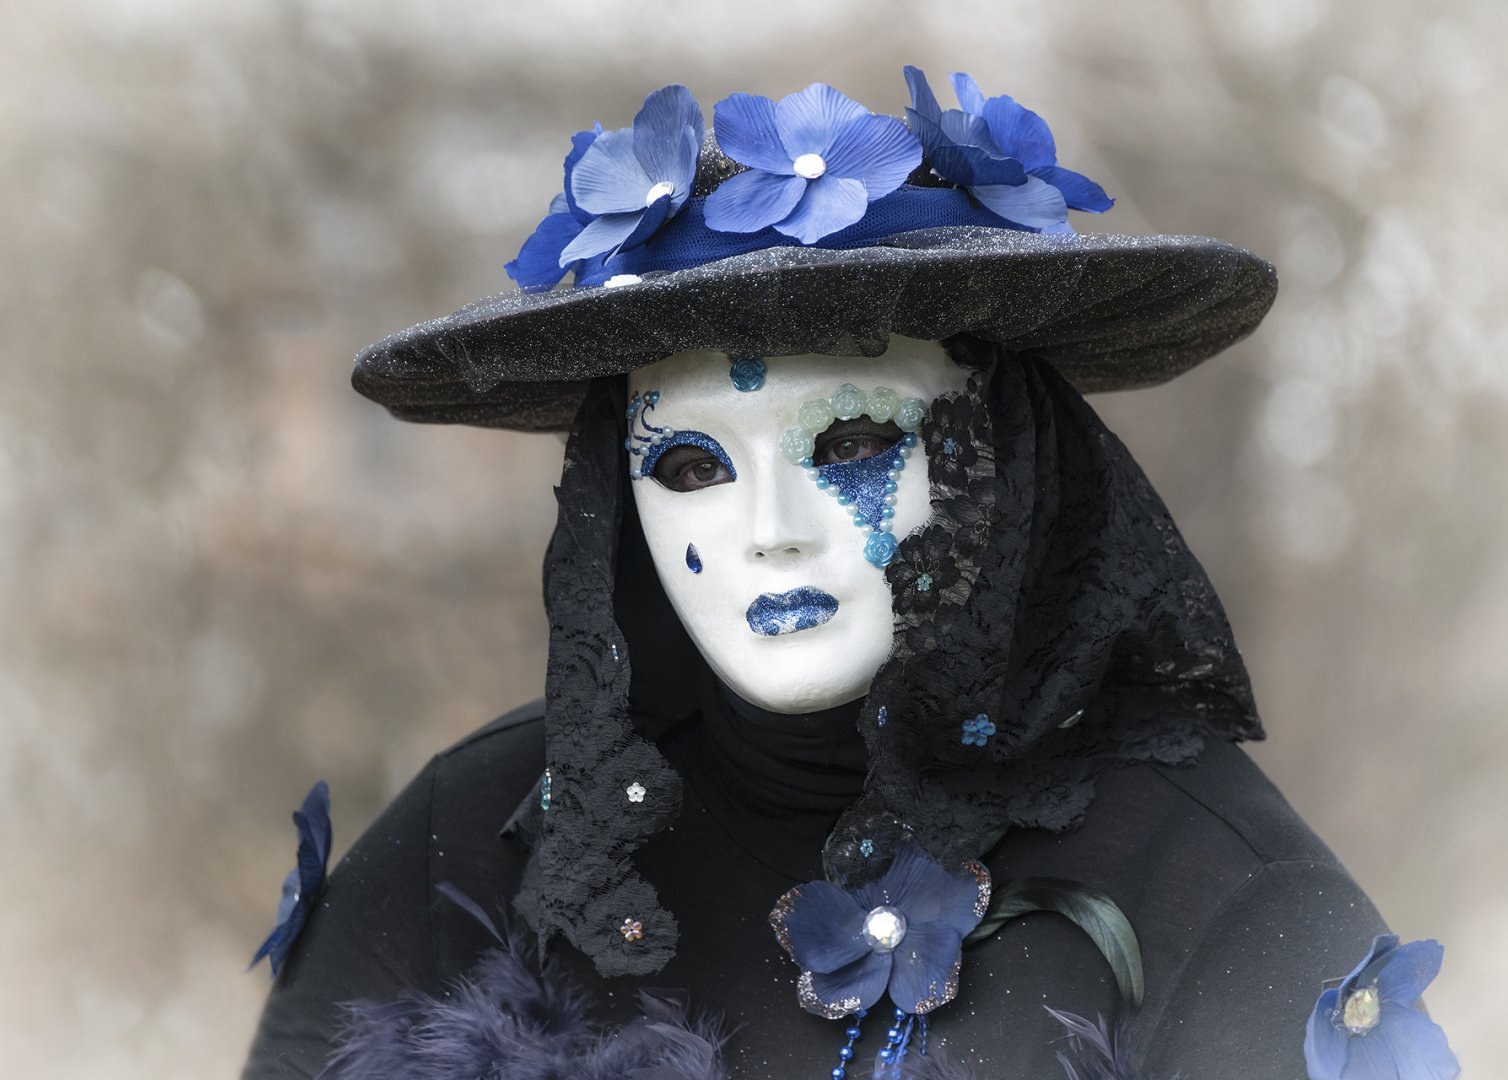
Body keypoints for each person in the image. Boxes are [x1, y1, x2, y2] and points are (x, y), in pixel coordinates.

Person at [241, 70, 1452, 1079]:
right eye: (692, 464)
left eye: (855, 442)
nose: (770, 531)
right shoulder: (469, 843)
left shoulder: (1220, 892)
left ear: (999, 457)